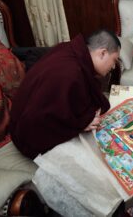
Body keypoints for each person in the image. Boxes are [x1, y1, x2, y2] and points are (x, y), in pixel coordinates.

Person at [9, 29, 121, 159]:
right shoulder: (70, 73)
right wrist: (81, 124)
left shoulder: (69, 49)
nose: (113, 67)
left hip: (25, 117)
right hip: (27, 136)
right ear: (102, 53)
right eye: (114, 60)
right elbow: (44, 116)